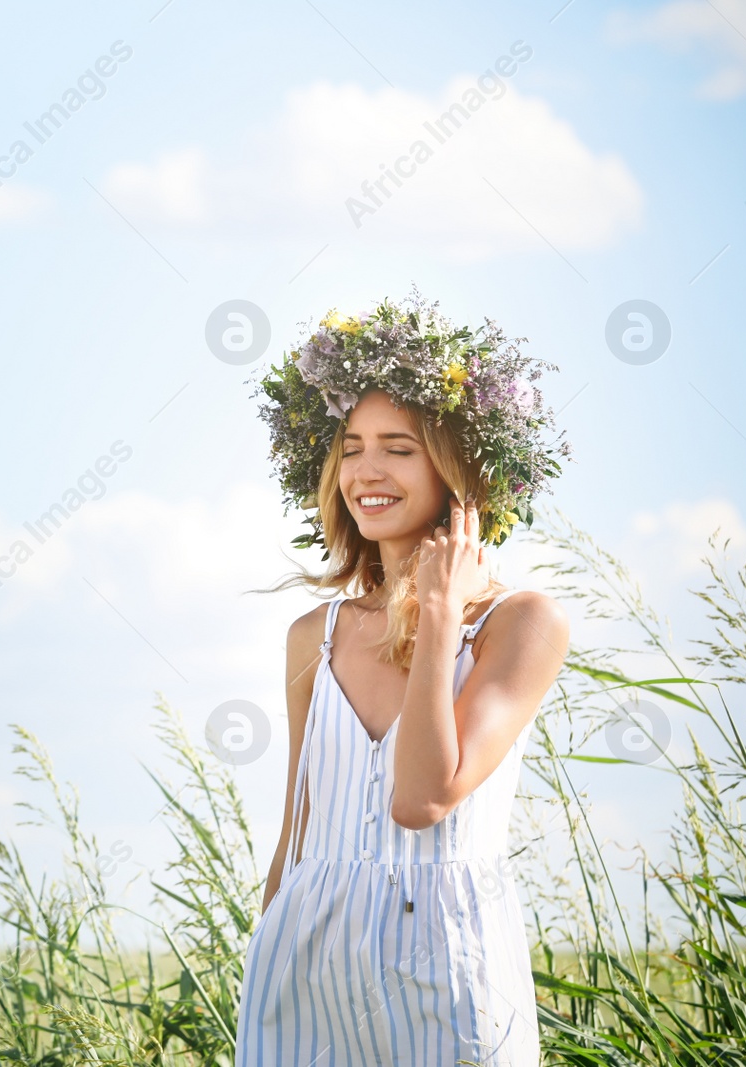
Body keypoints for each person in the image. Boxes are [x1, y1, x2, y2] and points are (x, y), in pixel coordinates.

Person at [237, 293, 571, 1065]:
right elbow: (297, 833)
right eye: (351, 447)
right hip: (305, 968)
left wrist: (442, 613)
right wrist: (266, 957)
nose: (367, 471)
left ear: (455, 471)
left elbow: (421, 797)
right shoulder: (310, 639)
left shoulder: (519, 625)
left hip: (448, 965)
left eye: (399, 446)